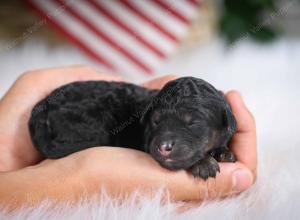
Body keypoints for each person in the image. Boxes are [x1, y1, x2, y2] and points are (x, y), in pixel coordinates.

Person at [0, 65, 257, 210]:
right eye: (157, 121)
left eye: (192, 123)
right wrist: (59, 179)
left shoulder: (223, 123)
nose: (164, 142)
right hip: (65, 114)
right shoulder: (143, 120)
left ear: (226, 123)